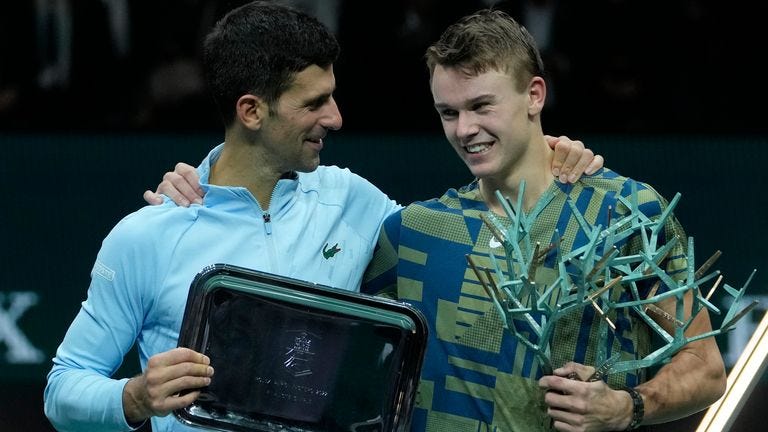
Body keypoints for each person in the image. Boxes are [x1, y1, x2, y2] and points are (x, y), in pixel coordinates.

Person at [44, 2, 600, 431]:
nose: (335, 117)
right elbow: (62, 388)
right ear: (252, 111)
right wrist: (134, 397)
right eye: (314, 103)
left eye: (332, 96)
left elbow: (467, 237)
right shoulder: (148, 235)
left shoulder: (353, 202)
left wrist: (543, 156)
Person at [361, 8, 726, 432]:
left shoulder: (627, 213)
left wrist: (628, 407)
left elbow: (705, 367)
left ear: (535, 95)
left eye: (482, 106)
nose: (464, 129)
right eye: (448, 112)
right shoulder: (413, 233)